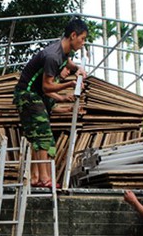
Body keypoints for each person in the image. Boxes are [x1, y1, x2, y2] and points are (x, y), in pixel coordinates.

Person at [13, 18, 88, 188]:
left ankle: (35, 177)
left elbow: (67, 62)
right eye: (82, 39)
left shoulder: (63, 51)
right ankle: (45, 179)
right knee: (44, 135)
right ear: (73, 35)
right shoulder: (52, 56)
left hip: (36, 95)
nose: (83, 43)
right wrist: (70, 84)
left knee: (36, 137)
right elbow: (47, 87)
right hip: (28, 94)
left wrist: (78, 69)